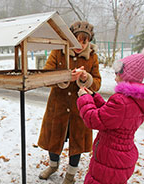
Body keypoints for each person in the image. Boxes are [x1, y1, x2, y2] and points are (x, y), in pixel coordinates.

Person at [77, 47, 144, 183]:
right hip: (122, 157)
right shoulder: (136, 100)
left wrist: (84, 98)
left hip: (110, 159)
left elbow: (93, 119)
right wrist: (94, 97)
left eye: (118, 73)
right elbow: (110, 118)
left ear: (127, 76)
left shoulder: (121, 101)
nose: (115, 77)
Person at [37, 21, 101, 184]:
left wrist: (87, 79)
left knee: (77, 141)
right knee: (54, 138)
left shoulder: (92, 56)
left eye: (84, 41)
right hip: (57, 105)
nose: (80, 44)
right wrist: (65, 77)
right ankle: (53, 166)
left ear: (89, 41)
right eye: (76, 39)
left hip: (80, 109)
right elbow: (46, 76)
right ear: (70, 38)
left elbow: (97, 83)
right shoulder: (58, 51)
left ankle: (70, 175)